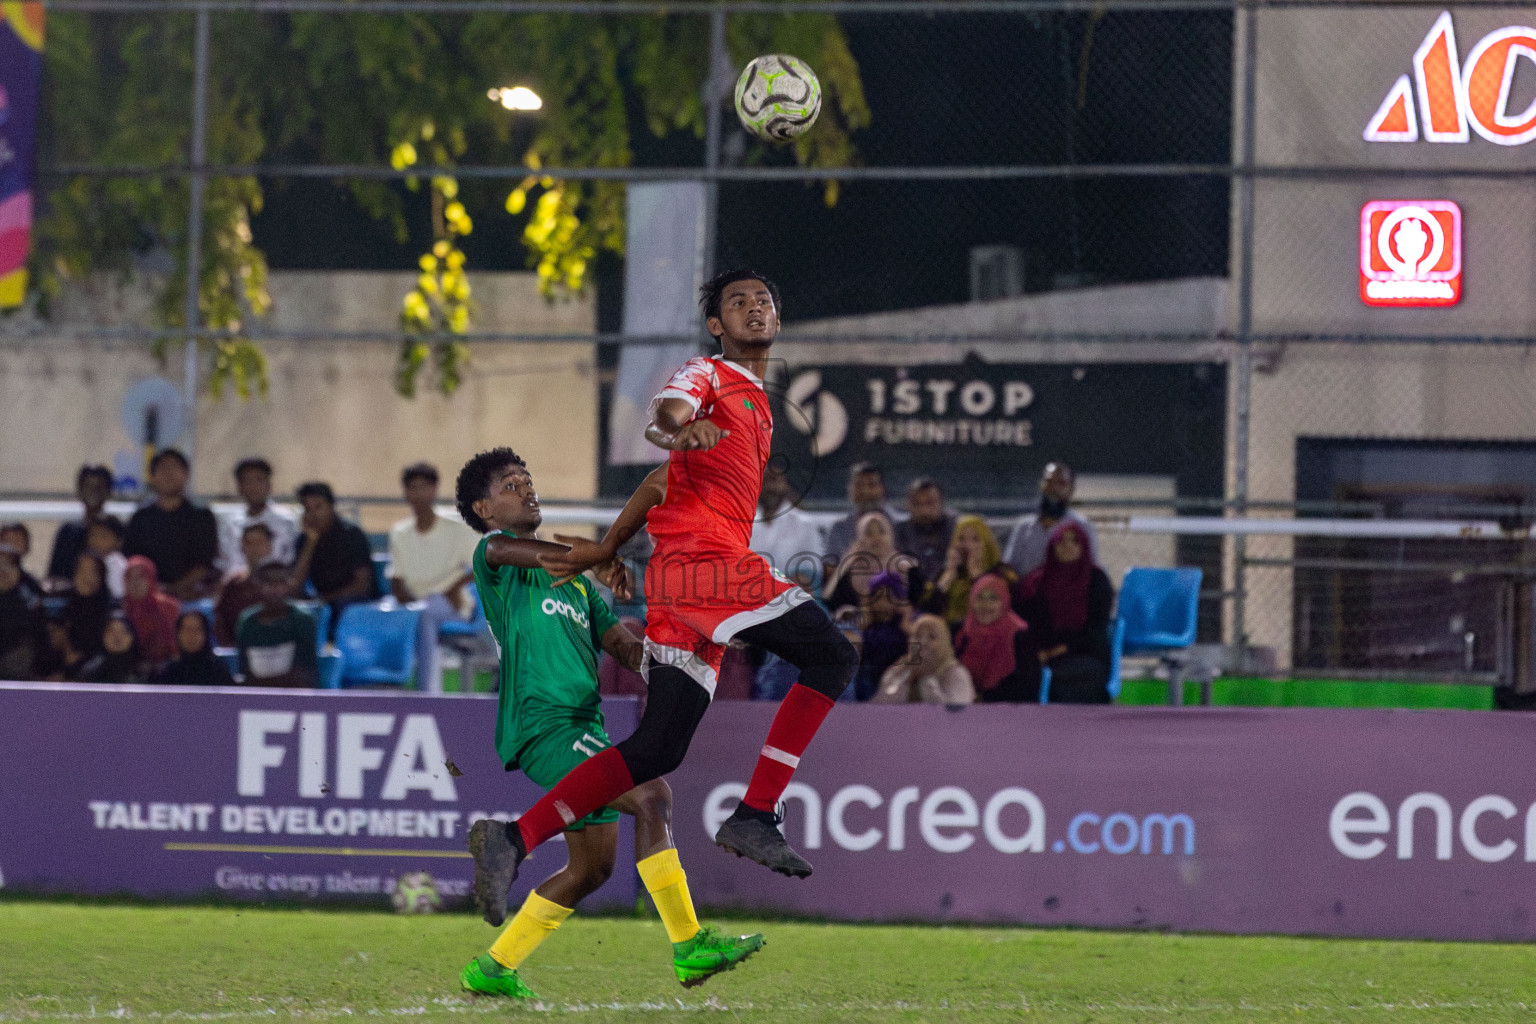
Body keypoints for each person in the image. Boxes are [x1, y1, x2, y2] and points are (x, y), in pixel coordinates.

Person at [472, 270, 859, 911]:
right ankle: (757, 812)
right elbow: (662, 421)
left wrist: (608, 547)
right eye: (738, 302)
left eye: (764, 300)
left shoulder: (757, 404)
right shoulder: (708, 374)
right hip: (708, 569)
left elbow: (660, 479)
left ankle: (514, 837)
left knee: (658, 747)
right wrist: (679, 430)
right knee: (833, 655)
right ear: (717, 327)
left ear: (778, 319)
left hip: (677, 586)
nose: (755, 308)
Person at [453, 448, 764, 999]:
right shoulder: (494, 557)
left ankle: (494, 967)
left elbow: (622, 647)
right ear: (484, 509)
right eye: (510, 485)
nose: (527, 488)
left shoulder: (578, 589)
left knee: (593, 868)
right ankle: (689, 945)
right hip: (544, 725)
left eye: (529, 479)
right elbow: (542, 555)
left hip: (582, 725)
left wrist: (680, 650)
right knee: (652, 796)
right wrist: (599, 553)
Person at [388, 462, 478, 693]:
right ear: (405, 492)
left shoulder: (456, 530)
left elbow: (485, 565)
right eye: (412, 488)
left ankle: (427, 693)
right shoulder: (400, 533)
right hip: (412, 603)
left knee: (426, 613)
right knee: (382, 614)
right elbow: (396, 577)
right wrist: (401, 597)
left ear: (434, 490)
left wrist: (455, 588)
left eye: (423, 487)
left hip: (451, 605)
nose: (417, 493)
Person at [1013, 521, 1114, 704]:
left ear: (1084, 546)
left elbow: (1095, 629)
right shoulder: (1035, 582)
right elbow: (1024, 622)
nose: (1067, 546)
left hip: (1084, 651)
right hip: (1039, 651)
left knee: (1077, 673)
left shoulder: (1096, 580)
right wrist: (1036, 652)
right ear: (1053, 546)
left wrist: (1055, 651)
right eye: (1061, 541)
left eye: (1075, 541)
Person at [122, 449, 219, 601]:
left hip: (190, 595)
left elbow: (204, 563)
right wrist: (154, 589)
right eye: (163, 468)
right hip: (147, 595)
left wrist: (173, 590)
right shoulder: (141, 517)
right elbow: (131, 558)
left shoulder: (201, 516)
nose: (168, 473)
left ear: (185, 475)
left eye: (174, 467)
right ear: (152, 477)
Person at [290, 481, 378, 636]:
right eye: (307, 509)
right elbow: (296, 586)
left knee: (343, 608)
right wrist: (311, 542)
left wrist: (326, 598)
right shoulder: (304, 540)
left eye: (318, 507)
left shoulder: (352, 534)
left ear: (331, 507)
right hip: (323, 602)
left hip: (352, 601)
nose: (313, 514)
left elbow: (362, 584)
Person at [1002, 461, 1098, 577]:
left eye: (1061, 483)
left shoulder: (1082, 526)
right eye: (1049, 482)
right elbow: (1009, 568)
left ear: (1071, 489)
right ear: (1041, 485)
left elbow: (1093, 570)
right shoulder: (1023, 527)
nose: (1054, 488)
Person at [822, 510, 923, 617]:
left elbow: (921, 603)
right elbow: (829, 600)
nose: (876, 538)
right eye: (868, 533)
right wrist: (847, 559)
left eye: (882, 532)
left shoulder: (908, 568)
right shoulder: (850, 571)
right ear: (859, 539)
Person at [955, 575, 1038, 703]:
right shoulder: (961, 632)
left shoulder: (1019, 636)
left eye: (993, 598)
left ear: (1004, 602)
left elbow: (1026, 686)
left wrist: (984, 699)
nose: (985, 605)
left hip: (1009, 713)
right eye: (979, 597)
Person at [235, 562, 320, 688]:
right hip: (256, 696)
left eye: (281, 582)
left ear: (288, 584)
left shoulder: (302, 620)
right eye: (268, 582)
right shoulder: (248, 621)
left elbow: (307, 670)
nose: (275, 588)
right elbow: (244, 670)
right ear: (257, 586)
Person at [930, 515, 1015, 634]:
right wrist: (947, 578)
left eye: (975, 539)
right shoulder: (945, 573)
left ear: (986, 543)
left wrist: (977, 577)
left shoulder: (1003, 574)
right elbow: (927, 611)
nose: (967, 545)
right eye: (961, 539)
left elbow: (995, 611)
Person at [217, 457, 299, 574]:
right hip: (236, 585)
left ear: (269, 485)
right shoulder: (231, 523)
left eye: (259, 480)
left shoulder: (285, 521)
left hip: (273, 584)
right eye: (247, 481)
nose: (253, 486)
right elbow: (225, 562)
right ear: (239, 487)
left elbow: (286, 560)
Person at [871, 614, 975, 705]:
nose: (923, 643)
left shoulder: (956, 673)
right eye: (918, 636)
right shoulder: (899, 669)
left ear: (945, 642)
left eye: (932, 637)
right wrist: (906, 680)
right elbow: (880, 708)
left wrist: (926, 678)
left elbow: (956, 714)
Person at [749, 463, 824, 577]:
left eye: (775, 481)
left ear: (785, 484)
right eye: (766, 481)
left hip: (791, 591)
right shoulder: (748, 525)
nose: (771, 487)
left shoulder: (804, 523)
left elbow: (815, 569)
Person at [823, 462, 896, 570]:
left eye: (871, 485)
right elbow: (830, 569)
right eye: (859, 485)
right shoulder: (839, 528)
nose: (865, 491)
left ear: (882, 489)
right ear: (850, 490)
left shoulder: (899, 524)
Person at [852, 570, 912, 702]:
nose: (882, 602)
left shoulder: (903, 626)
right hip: (867, 683)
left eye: (888, 596)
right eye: (878, 596)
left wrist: (907, 626)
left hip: (895, 681)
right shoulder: (865, 626)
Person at [47, 464, 113, 581]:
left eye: (99, 487)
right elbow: (54, 576)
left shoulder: (117, 530)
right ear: (79, 491)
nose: (93, 492)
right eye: (88, 486)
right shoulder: (67, 532)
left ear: (108, 492)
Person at [215, 523, 277, 645]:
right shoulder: (233, 584)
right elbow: (221, 621)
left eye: (259, 542)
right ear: (242, 548)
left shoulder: (280, 582)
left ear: (269, 546)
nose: (254, 548)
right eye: (249, 543)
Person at [121, 555, 181, 669]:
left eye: (141, 576)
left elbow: (177, 644)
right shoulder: (120, 609)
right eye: (130, 577)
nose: (135, 582)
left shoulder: (168, 606)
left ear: (151, 578)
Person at [893, 478, 956, 584]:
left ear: (941, 502)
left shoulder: (956, 528)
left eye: (929, 503)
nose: (924, 510)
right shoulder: (898, 532)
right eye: (917, 504)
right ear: (908, 505)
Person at [153, 610, 236, 687]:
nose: (191, 635)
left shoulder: (218, 671)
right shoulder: (167, 672)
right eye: (187, 629)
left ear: (206, 634)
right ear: (178, 634)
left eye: (196, 630)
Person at [0, 543, 46, 678]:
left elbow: (38, 634)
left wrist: (9, 591)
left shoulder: (30, 597)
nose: (3, 571)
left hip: (18, 669)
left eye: (9, 565)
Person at [64, 552, 115, 659]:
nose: (86, 577)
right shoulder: (63, 600)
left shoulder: (111, 612)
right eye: (81, 570)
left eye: (93, 572)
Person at [78, 613, 148, 684]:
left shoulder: (146, 672)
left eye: (123, 631)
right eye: (111, 631)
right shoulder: (89, 673)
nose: (117, 637)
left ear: (132, 636)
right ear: (103, 636)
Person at [0, 523, 44, 604]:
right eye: (6, 540)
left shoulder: (30, 585)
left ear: (26, 547)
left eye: (16, 541)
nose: (11, 547)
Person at [85, 516, 128, 599]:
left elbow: (118, 595)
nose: (96, 541)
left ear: (119, 541)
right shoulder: (88, 561)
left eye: (103, 536)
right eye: (93, 535)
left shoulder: (116, 564)